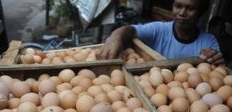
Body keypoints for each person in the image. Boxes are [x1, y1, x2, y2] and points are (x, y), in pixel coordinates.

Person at [96, 0, 224, 65]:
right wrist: (115, 37)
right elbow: (130, 30)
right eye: (178, 6)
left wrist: (215, 60)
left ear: (201, 12)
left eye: (190, 8)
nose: (182, 13)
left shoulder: (208, 41)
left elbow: (214, 71)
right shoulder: (160, 29)